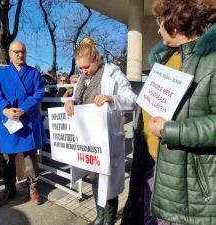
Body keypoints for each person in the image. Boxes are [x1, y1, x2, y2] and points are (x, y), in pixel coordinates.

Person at [121, 1, 216, 225]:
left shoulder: (211, 60)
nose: (157, 28)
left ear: (178, 19)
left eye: (160, 21)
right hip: (150, 165)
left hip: (184, 182)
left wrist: (170, 130)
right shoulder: (165, 59)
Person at [64, 37, 137, 225]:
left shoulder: (112, 73)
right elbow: (74, 98)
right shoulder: (82, 79)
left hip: (107, 137)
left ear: (97, 59)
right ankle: (100, 215)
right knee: (94, 176)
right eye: (80, 68)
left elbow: (132, 98)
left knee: (109, 181)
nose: (83, 72)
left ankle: (109, 220)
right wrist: (70, 101)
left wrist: (111, 98)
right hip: (88, 139)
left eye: (86, 67)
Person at [0, 41, 47, 207]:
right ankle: (9, 188)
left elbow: (39, 93)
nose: (20, 55)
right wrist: (5, 108)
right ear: (9, 53)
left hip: (27, 119)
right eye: (16, 52)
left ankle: (33, 186)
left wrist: (23, 108)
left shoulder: (34, 73)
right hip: (9, 120)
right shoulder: (1, 73)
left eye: (23, 52)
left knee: (30, 156)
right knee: (8, 157)